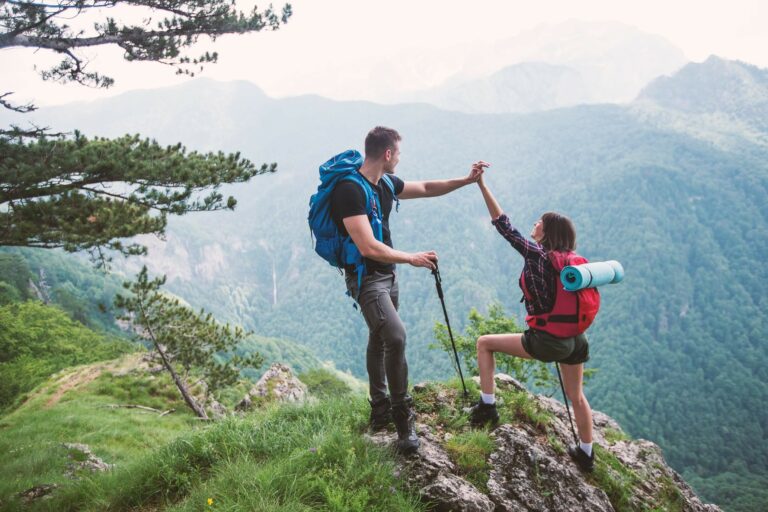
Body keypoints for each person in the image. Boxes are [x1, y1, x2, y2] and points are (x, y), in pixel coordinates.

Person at [330, 126, 483, 454]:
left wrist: (466, 180)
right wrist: (412, 258)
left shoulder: (384, 183)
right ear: (387, 154)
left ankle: (379, 407)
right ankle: (402, 420)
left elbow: (427, 187)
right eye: (398, 153)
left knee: (379, 337)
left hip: (388, 275)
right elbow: (368, 247)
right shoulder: (349, 190)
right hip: (366, 278)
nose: (400, 158)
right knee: (395, 336)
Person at [468, 161, 595, 472]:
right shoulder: (571, 263)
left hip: (549, 340)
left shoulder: (537, 255)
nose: (534, 224)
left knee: (485, 343)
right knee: (576, 395)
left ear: (547, 232)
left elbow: (502, 224)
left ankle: (487, 407)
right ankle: (586, 453)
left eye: (539, 222)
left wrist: (482, 186)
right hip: (576, 340)